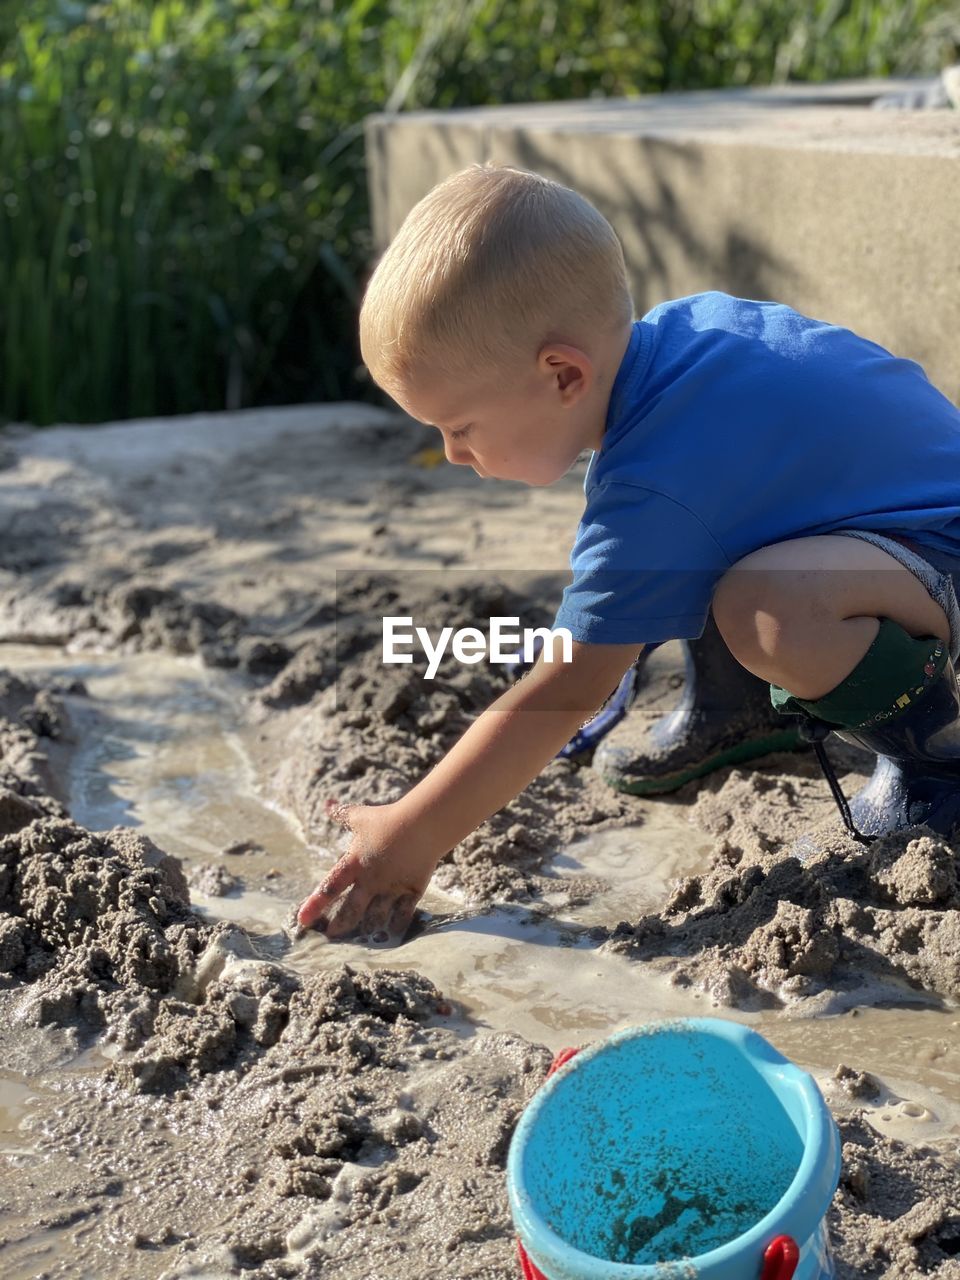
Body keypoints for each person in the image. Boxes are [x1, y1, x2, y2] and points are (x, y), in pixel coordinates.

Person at [297, 163, 960, 940]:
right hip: (890, 532)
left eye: (461, 427)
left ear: (563, 375)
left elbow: (568, 684)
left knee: (768, 611)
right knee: (724, 549)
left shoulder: (653, 481)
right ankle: (740, 708)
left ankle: (936, 761)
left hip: (937, 546)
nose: (451, 455)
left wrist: (412, 834)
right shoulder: (675, 349)